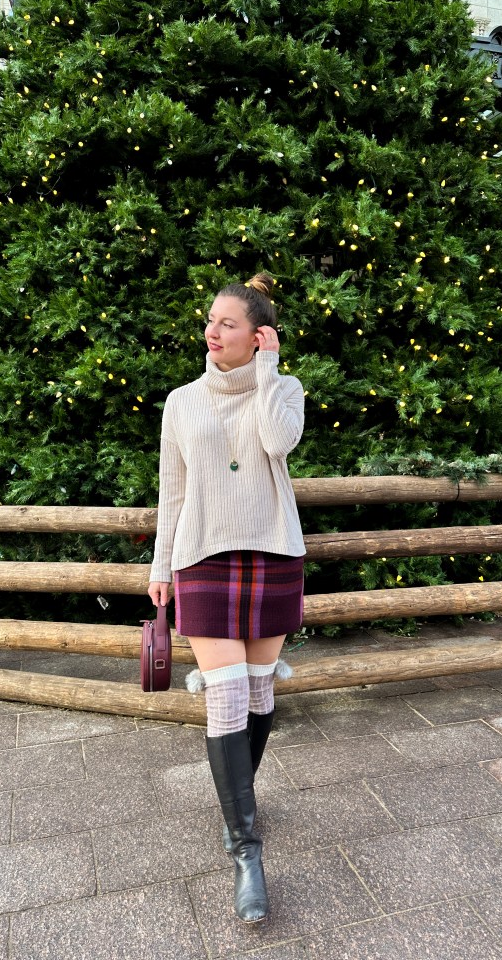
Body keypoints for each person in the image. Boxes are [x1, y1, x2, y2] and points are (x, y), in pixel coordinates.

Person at [148, 272, 305, 924]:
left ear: (258, 335)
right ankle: (245, 847)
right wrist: (160, 566)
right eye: (210, 322)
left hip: (272, 552)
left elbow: (277, 443)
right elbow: (172, 492)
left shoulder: (286, 390)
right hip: (204, 556)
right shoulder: (182, 402)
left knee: (262, 691)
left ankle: (237, 799)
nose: (212, 332)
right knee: (230, 693)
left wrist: (269, 372)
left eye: (228, 324)